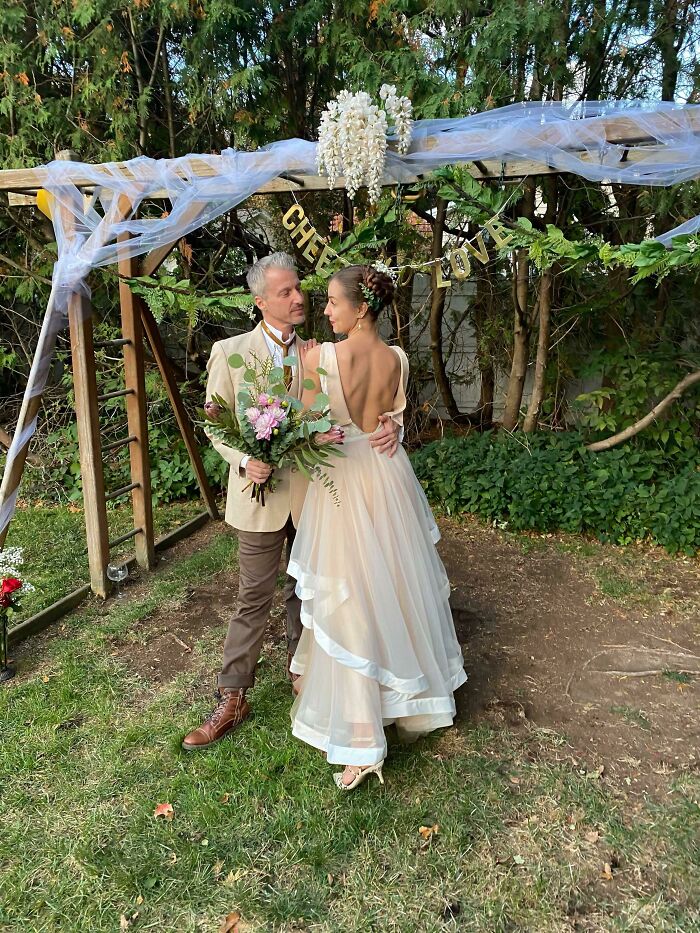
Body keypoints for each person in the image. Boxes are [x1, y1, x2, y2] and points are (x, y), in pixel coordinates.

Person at [182, 252, 400, 751]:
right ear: (260, 302)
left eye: (300, 289)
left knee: (309, 593)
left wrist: (392, 423)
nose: (299, 298)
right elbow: (215, 422)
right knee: (253, 596)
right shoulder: (230, 351)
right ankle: (232, 697)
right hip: (257, 498)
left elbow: (359, 406)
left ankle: (303, 677)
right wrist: (243, 461)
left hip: (317, 498)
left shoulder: (323, 351)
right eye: (285, 292)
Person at [287, 264, 467, 790]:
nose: (324, 310)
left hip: (343, 484)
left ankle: (362, 735)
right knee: (392, 585)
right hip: (387, 479)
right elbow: (392, 420)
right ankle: (406, 698)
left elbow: (302, 428)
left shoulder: (319, 358)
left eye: (332, 302)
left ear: (360, 307)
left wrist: (307, 408)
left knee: (353, 598)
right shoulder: (398, 359)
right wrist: (391, 428)